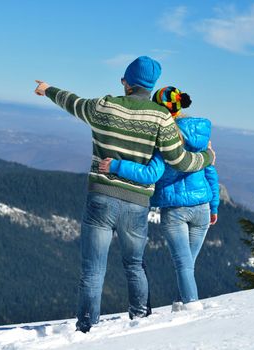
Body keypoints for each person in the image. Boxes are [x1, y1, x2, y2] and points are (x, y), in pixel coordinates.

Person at [34, 56, 215, 333]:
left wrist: (47, 89)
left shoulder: (103, 106)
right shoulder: (161, 117)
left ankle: (86, 328)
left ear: (126, 83)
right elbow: (180, 161)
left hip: (100, 199)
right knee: (134, 265)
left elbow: (73, 102)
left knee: (93, 270)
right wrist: (206, 157)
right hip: (137, 203)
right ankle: (140, 321)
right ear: (150, 86)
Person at [99, 86, 220, 311]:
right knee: (187, 264)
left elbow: (150, 174)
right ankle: (178, 305)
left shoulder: (165, 137)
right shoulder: (201, 135)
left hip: (175, 210)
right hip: (202, 207)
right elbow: (210, 171)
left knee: (184, 264)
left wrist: (116, 165)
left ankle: (192, 309)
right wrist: (214, 206)